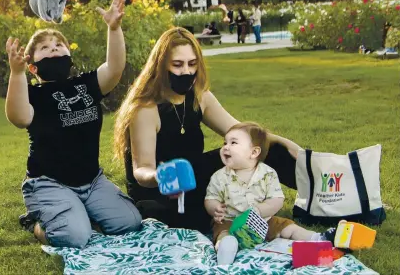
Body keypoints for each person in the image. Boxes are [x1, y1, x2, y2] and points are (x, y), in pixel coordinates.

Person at [112, 27, 301, 234]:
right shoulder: (145, 109)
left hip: (196, 183)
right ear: (161, 65)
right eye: (177, 65)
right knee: (227, 159)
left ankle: (319, 195)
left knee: (260, 148)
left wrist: (286, 145)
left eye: (192, 64)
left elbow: (243, 134)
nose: (186, 72)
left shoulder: (199, 97)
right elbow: (142, 171)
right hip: (162, 195)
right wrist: (163, 176)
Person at [5, 0, 141, 249]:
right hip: (48, 183)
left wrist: (114, 28)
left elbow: (114, 68)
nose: (54, 48)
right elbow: (19, 117)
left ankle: (77, 210)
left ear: (69, 57)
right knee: (74, 237)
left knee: (130, 222)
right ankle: (35, 223)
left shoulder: (86, 84)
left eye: (59, 45)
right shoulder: (32, 93)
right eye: (44, 48)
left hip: (92, 181)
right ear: (32, 66)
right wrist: (16, 73)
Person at [205, 122, 336, 265]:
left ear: (254, 152)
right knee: (223, 234)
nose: (225, 147)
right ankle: (226, 252)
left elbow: (277, 200)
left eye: (233, 143)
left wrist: (260, 210)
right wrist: (215, 208)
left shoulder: (268, 174)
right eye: (225, 142)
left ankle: (318, 238)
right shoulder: (220, 176)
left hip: (264, 221)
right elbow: (211, 198)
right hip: (230, 221)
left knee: (288, 228)